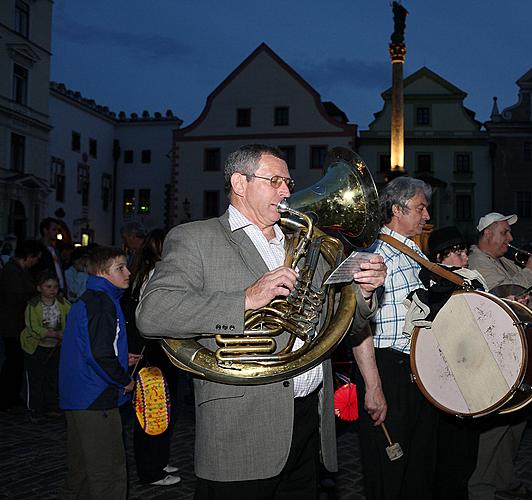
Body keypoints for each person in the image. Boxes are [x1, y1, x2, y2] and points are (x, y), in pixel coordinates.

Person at [136, 144, 385, 499]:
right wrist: (246, 300)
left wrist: (364, 292)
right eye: (276, 181)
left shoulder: (309, 242)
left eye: (288, 181)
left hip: (309, 422)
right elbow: (152, 313)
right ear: (240, 183)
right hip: (241, 427)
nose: (287, 191)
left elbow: (341, 321)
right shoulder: (195, 238)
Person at [351, 176, 438, 500]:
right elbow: (360, 326)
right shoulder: (375, 254)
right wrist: (373, 387)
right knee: (388, 467)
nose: (426, 216)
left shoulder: (414, 251)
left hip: (416, 367)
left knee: (418, 463)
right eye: (420, 208)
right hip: (388, 368)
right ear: (398, 210)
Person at [466, 212, 532, 500]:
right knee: (496, 425)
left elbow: (531, 292)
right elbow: (504, 292)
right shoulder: (477, 262)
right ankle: (481, 488)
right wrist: (529, 271)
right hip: (494, 352)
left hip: (515, 350)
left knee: (515, 423)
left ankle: (504, 479)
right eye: (504, 233)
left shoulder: (502, 261)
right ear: (487, 234)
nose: (510, 239)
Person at [58, 246, 135, 500]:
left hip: (78, 395)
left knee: (80, 473)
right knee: (108, 472)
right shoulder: (102, 303)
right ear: (102, 272)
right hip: (96, 397)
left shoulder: (90, 298)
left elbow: (88, 346)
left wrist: (120, 358)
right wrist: (124, 379)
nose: (128, 272)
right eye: (120, 268)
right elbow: (98, 354)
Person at [122, 228, 181, 486]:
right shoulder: (157, 273)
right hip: (154, 352)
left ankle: (156, 461)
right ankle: (151, 469)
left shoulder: (145, 271)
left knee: (159, 409)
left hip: (153, 351)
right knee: (154, 409)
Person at [426, 226, 480, 500]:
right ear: (440, 256)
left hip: (470, 374)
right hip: (446, 378)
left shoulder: (471, 279)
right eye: (458, 252)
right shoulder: (432, 281)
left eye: (465, 251)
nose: (465, 258)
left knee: (467, 449)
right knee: (449, 451)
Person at [0, 239, 45, 410]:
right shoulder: (11, 271)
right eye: (36, 258)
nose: (37, 262)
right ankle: (6, 398)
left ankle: (11, 397)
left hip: (18, 323)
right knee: (12, 362)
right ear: (29, 256)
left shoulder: (21, 270)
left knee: (16, 362)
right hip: (12, 324)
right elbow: (17, 297)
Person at [20, 273, 71, 421]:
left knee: (53, 377)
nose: (52, 290)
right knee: (35, 379)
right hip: (36, 347)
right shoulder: (33, 305)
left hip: (55, 347)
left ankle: (51, 406)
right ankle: (34, 409)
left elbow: (72, 315)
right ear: (39, 288)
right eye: (48, 286)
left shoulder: (63, 302)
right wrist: (54, 334)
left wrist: (65, 333)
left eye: (55, 286)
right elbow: (33, 328)